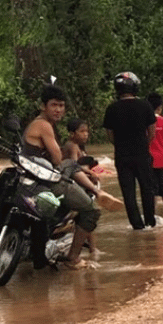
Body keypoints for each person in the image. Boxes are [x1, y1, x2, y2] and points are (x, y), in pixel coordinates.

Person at [22, 84, 105, 269]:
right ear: (44, 106)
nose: (58, 109)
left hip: (36, 177)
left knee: (72, 166)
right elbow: (57, 158)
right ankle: (73, 258)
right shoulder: (44, 125)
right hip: (44, 180)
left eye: (61, 105)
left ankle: (93, 191)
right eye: (54, 105)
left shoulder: (39, 124)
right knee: (91, 211)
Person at [102, 71, 158, 230]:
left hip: (122, 156)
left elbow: (110, 136)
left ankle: (137, 226)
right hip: (142, 154)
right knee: (147, 189)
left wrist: (121, 145)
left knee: (128, 193)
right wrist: (143, 145)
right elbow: (152, 132)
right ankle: (150, 223)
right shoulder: (145, 105)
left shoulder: (112, 108)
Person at [62, 118, 100, 257]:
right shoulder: (71, 146)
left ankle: (92, 250)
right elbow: (73, 166)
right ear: (72, 133)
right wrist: (89, 172)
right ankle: (92, 250)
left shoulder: (79, 147)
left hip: (80, 185)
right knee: (87, 215)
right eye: (82, 131)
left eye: (87, 131)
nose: (86, 134)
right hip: (73, 186)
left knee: (86, 218)